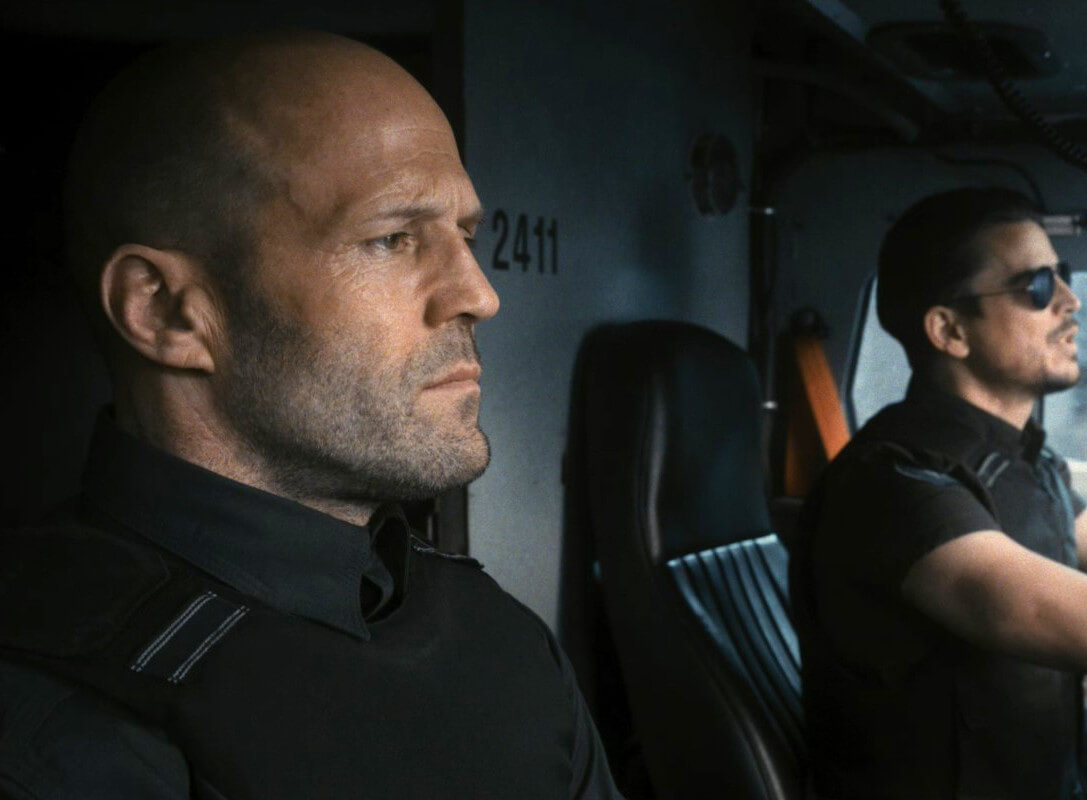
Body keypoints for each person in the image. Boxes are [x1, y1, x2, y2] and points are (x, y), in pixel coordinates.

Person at [0, 31, 622, 800]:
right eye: (390, 239)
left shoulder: (493, 631)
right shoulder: (58, 735)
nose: (479, 295)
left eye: (463, 235)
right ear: (166, 312)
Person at [792, 187, 1087, 800]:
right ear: (950, 330)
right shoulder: (895, 487)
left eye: (1063, 276)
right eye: (1035, 287)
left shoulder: (1024, 463)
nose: (1070, 302)